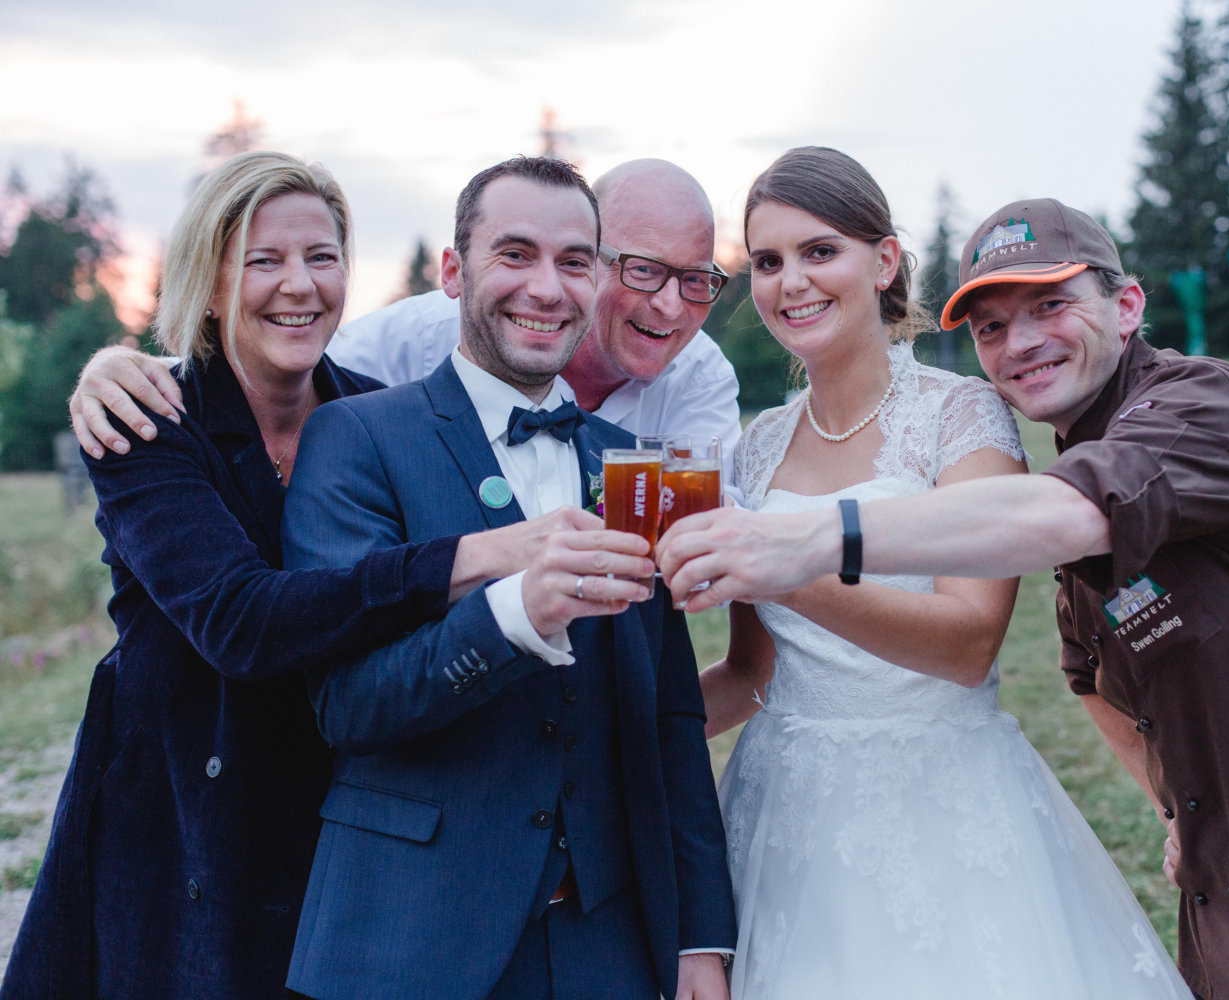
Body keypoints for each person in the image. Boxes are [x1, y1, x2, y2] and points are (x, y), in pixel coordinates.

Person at [659, 196, 1229, 1000]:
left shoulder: (1200, 407)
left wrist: (812, 544)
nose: (1021, 342)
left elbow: (1066, 518)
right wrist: (1179, 811)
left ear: (1127, 305)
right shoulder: (1076, 455)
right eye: (992, 326)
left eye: (1050, 305)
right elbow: (1091, 680)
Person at [0, 151, 554, 1000]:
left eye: (321, 258)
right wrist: (473, 556)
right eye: (264, 260)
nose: (299, 284)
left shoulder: (377, 418)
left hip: (344, 815)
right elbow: (238, 621)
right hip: (185, 821)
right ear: (211, 282)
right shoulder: (151, 422)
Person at [694, 147, 1190, 999]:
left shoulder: (962, 415)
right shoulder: (757, 444)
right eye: (768, 261)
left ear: (883, 261)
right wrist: (628, 731)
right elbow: (753, 671)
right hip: (784, 808)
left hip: (937, 799)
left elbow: (967, 643)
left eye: (820, 252)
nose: (790, 283)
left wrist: (782, 565)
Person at [279, 156, 735, 1000]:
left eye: (573, 262)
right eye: (514, 254)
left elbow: (668, 712)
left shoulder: (634, 467)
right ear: (454, 272)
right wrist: (511, 617)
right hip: (408, 941)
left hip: (608, 947)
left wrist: (700, 932)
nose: (547, 288)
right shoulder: (356, 437)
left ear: (598, 279)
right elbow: (348, 706)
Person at [66, 159, 742, 482]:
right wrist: (138, 369)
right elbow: (288, 359)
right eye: (645, 270)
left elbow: (704, 543)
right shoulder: (421, 339)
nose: (670, 305)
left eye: (697, 279)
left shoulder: (700, 375)